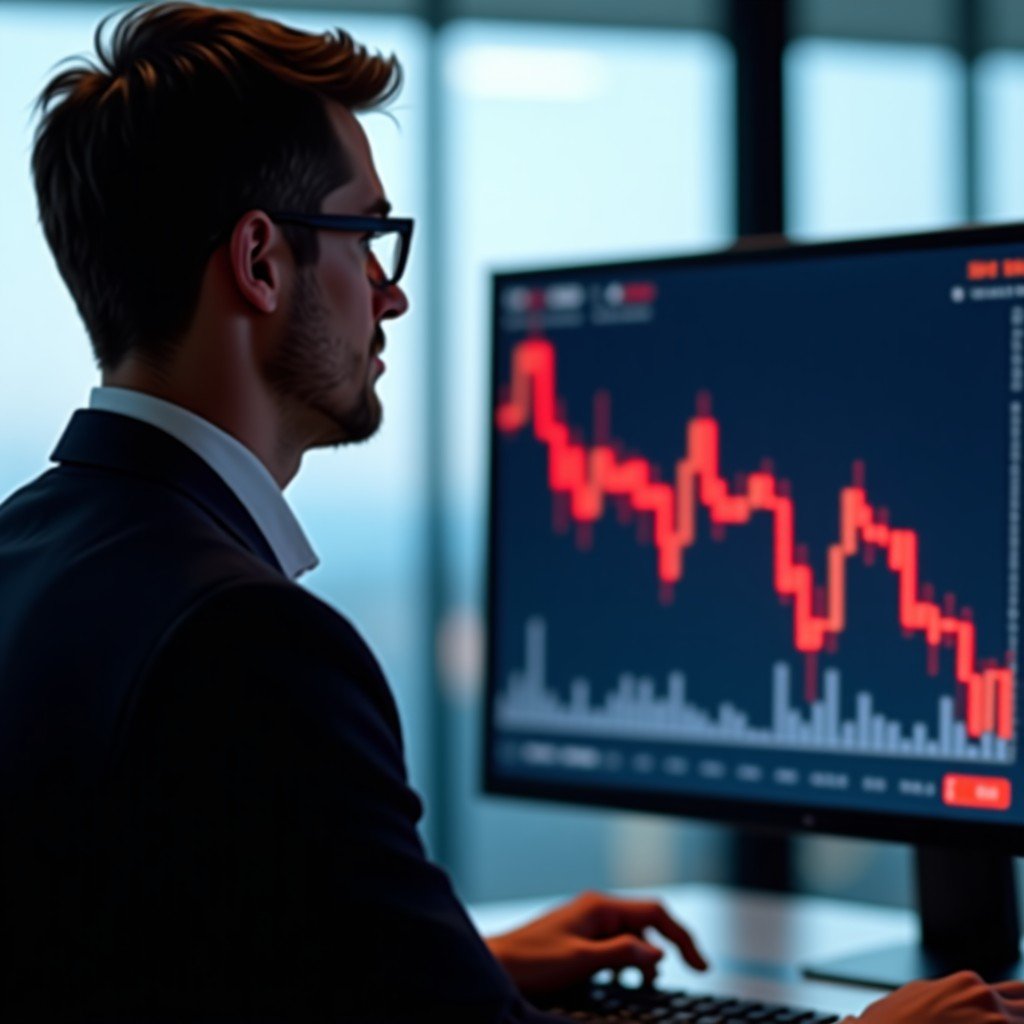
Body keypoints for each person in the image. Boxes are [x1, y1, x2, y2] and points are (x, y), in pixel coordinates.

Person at [0, 3, 1020, 1022]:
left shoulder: (27, 554)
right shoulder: (246, 641)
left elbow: (146, 949)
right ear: (261, 263)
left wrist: (444, 959)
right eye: (366, 237)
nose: (387, 296)